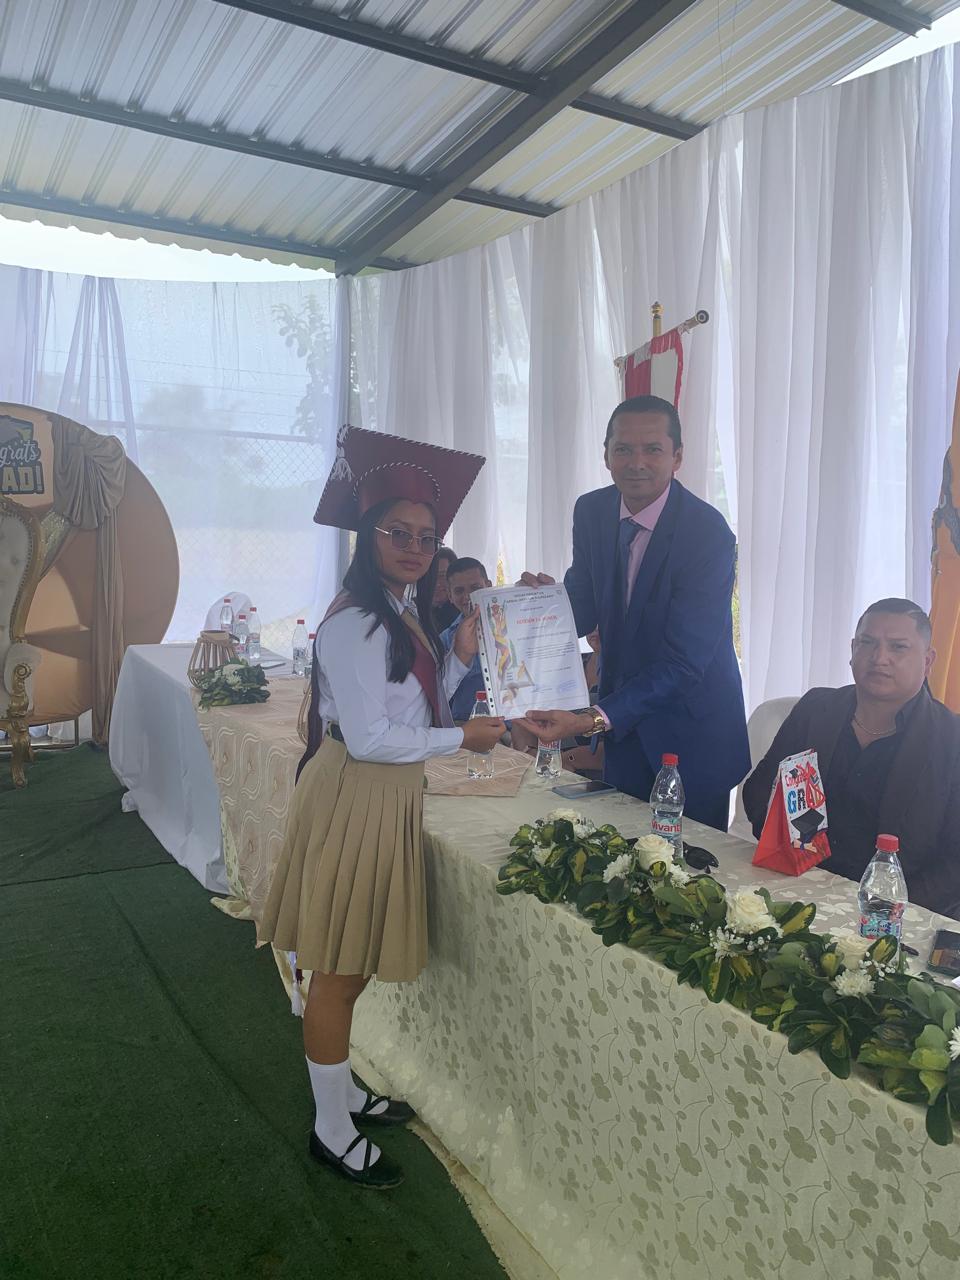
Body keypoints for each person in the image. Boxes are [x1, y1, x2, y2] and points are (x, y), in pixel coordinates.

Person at [258, 427, 505, 1190]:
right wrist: (463, 736)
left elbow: (410, 701)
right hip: (357, 792)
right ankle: (330, 1130)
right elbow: (370, 739)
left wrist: (461, 653)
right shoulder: (359, 619)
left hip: (381, 791)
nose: (414, 548)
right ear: (367, 536)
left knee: (351, 962)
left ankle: (342, 1096)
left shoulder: (395, 609)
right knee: (338, 970)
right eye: (398, 533)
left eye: (427, 538)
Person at [515, 394, 750, 830]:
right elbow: (583, 604)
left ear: (677, 457)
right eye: (623, 449)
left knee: (684, 866)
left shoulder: (707, 534)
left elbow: (683, 663)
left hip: (691, 737)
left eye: (652, 449)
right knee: (617, 854)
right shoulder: (592, 511)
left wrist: (592, 719)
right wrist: (536, 610)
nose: (636, 462)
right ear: (606, 455)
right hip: (623, 732)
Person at [742, 598, 960, 917]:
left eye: (898, 647)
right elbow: (760, 789)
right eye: (867, 643)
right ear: (852, 649)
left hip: (897, 912)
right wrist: (791, 851)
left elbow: (954, 863)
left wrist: (885, 905)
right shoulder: (816, 709)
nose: (879, 658)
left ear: (927, 661)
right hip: (798, 884)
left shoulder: (950, 738)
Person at [439, 556, 492, 720]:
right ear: (450, 596)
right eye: (459, 591)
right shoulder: (445, 640)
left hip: (514, 724)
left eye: (475, 588)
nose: (468, 596)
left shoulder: (512, 627)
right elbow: (437, 693)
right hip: (465, 725)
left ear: (488, 586)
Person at [431, 545, 460, 632]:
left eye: (442, 576)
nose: (436, 583)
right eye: (430, 576)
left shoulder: (463, 612)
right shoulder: (412, 610)